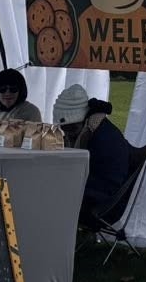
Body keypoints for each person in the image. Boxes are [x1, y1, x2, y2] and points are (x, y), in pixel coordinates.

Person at [54, 83, 135, 226]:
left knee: (47, 194)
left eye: (71, 128)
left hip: (103, 204)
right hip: (94, 192)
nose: (67, 134)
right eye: (63, 129)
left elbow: (108, 184)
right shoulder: (93, 130)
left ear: (84, 120)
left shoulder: (105, 138)